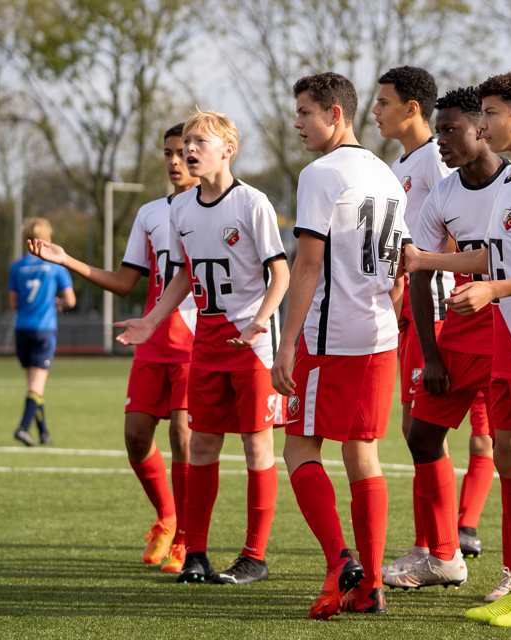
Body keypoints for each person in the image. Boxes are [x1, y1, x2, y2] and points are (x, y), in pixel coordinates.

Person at [405, 71, 511, 627]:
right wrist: (433, 263)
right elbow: (493, 259)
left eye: (489, 115)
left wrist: (495, 291)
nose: (482, 126)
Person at [116, 109, 289, 587]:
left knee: (257, 445)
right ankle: (196, 554)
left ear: (227, 150)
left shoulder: (253, 203)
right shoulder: (181, 209)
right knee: (203, 446)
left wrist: (259, 323)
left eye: (199, 142)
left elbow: (281, 273)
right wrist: (150, 322)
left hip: (251, 347)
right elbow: (185, 277)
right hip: (207, 345)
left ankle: (254, 556)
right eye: (185, 141)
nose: (189, 150)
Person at [29, 124, 198, 572]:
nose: (174, 161)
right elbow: (125, 283)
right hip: (151, 339)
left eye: (183, 152)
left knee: (183, 436)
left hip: (196, 345)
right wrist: (67, 260)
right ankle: (167, 518)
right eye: (168, 153)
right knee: (135, 436)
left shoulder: (220, 209)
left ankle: (186, 540)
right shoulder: (149, 213)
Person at [271, 72, 407, 618]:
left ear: (335, 114)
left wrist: (286, 344)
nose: (297, 122)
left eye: (305, 111)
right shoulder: (387, 175)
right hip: (380, 334)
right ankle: (370, 586)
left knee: (300, 448)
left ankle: (340, 560)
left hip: (332, 335)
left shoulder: (320, 173)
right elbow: (402, 268)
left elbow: (308, 261)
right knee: (363, 454)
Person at [384, 86, 511, 591]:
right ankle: (442, 554)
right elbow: (417, 271)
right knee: (421, 435)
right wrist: (432, 354)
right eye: (438, 130)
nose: (442, 140)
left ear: (482, 128)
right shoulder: (443, 192)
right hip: (456, 336)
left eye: (451, 129)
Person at [8, 218, 76, 447]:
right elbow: (71, 300)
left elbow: (13, 302)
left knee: (34, 386)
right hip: (44, 329)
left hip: (22, 329)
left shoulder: (17, 266)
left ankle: (44, 433)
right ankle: (22, 428)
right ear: (46, 240)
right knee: (36, 387)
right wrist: (56, 303)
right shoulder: (57, 266)